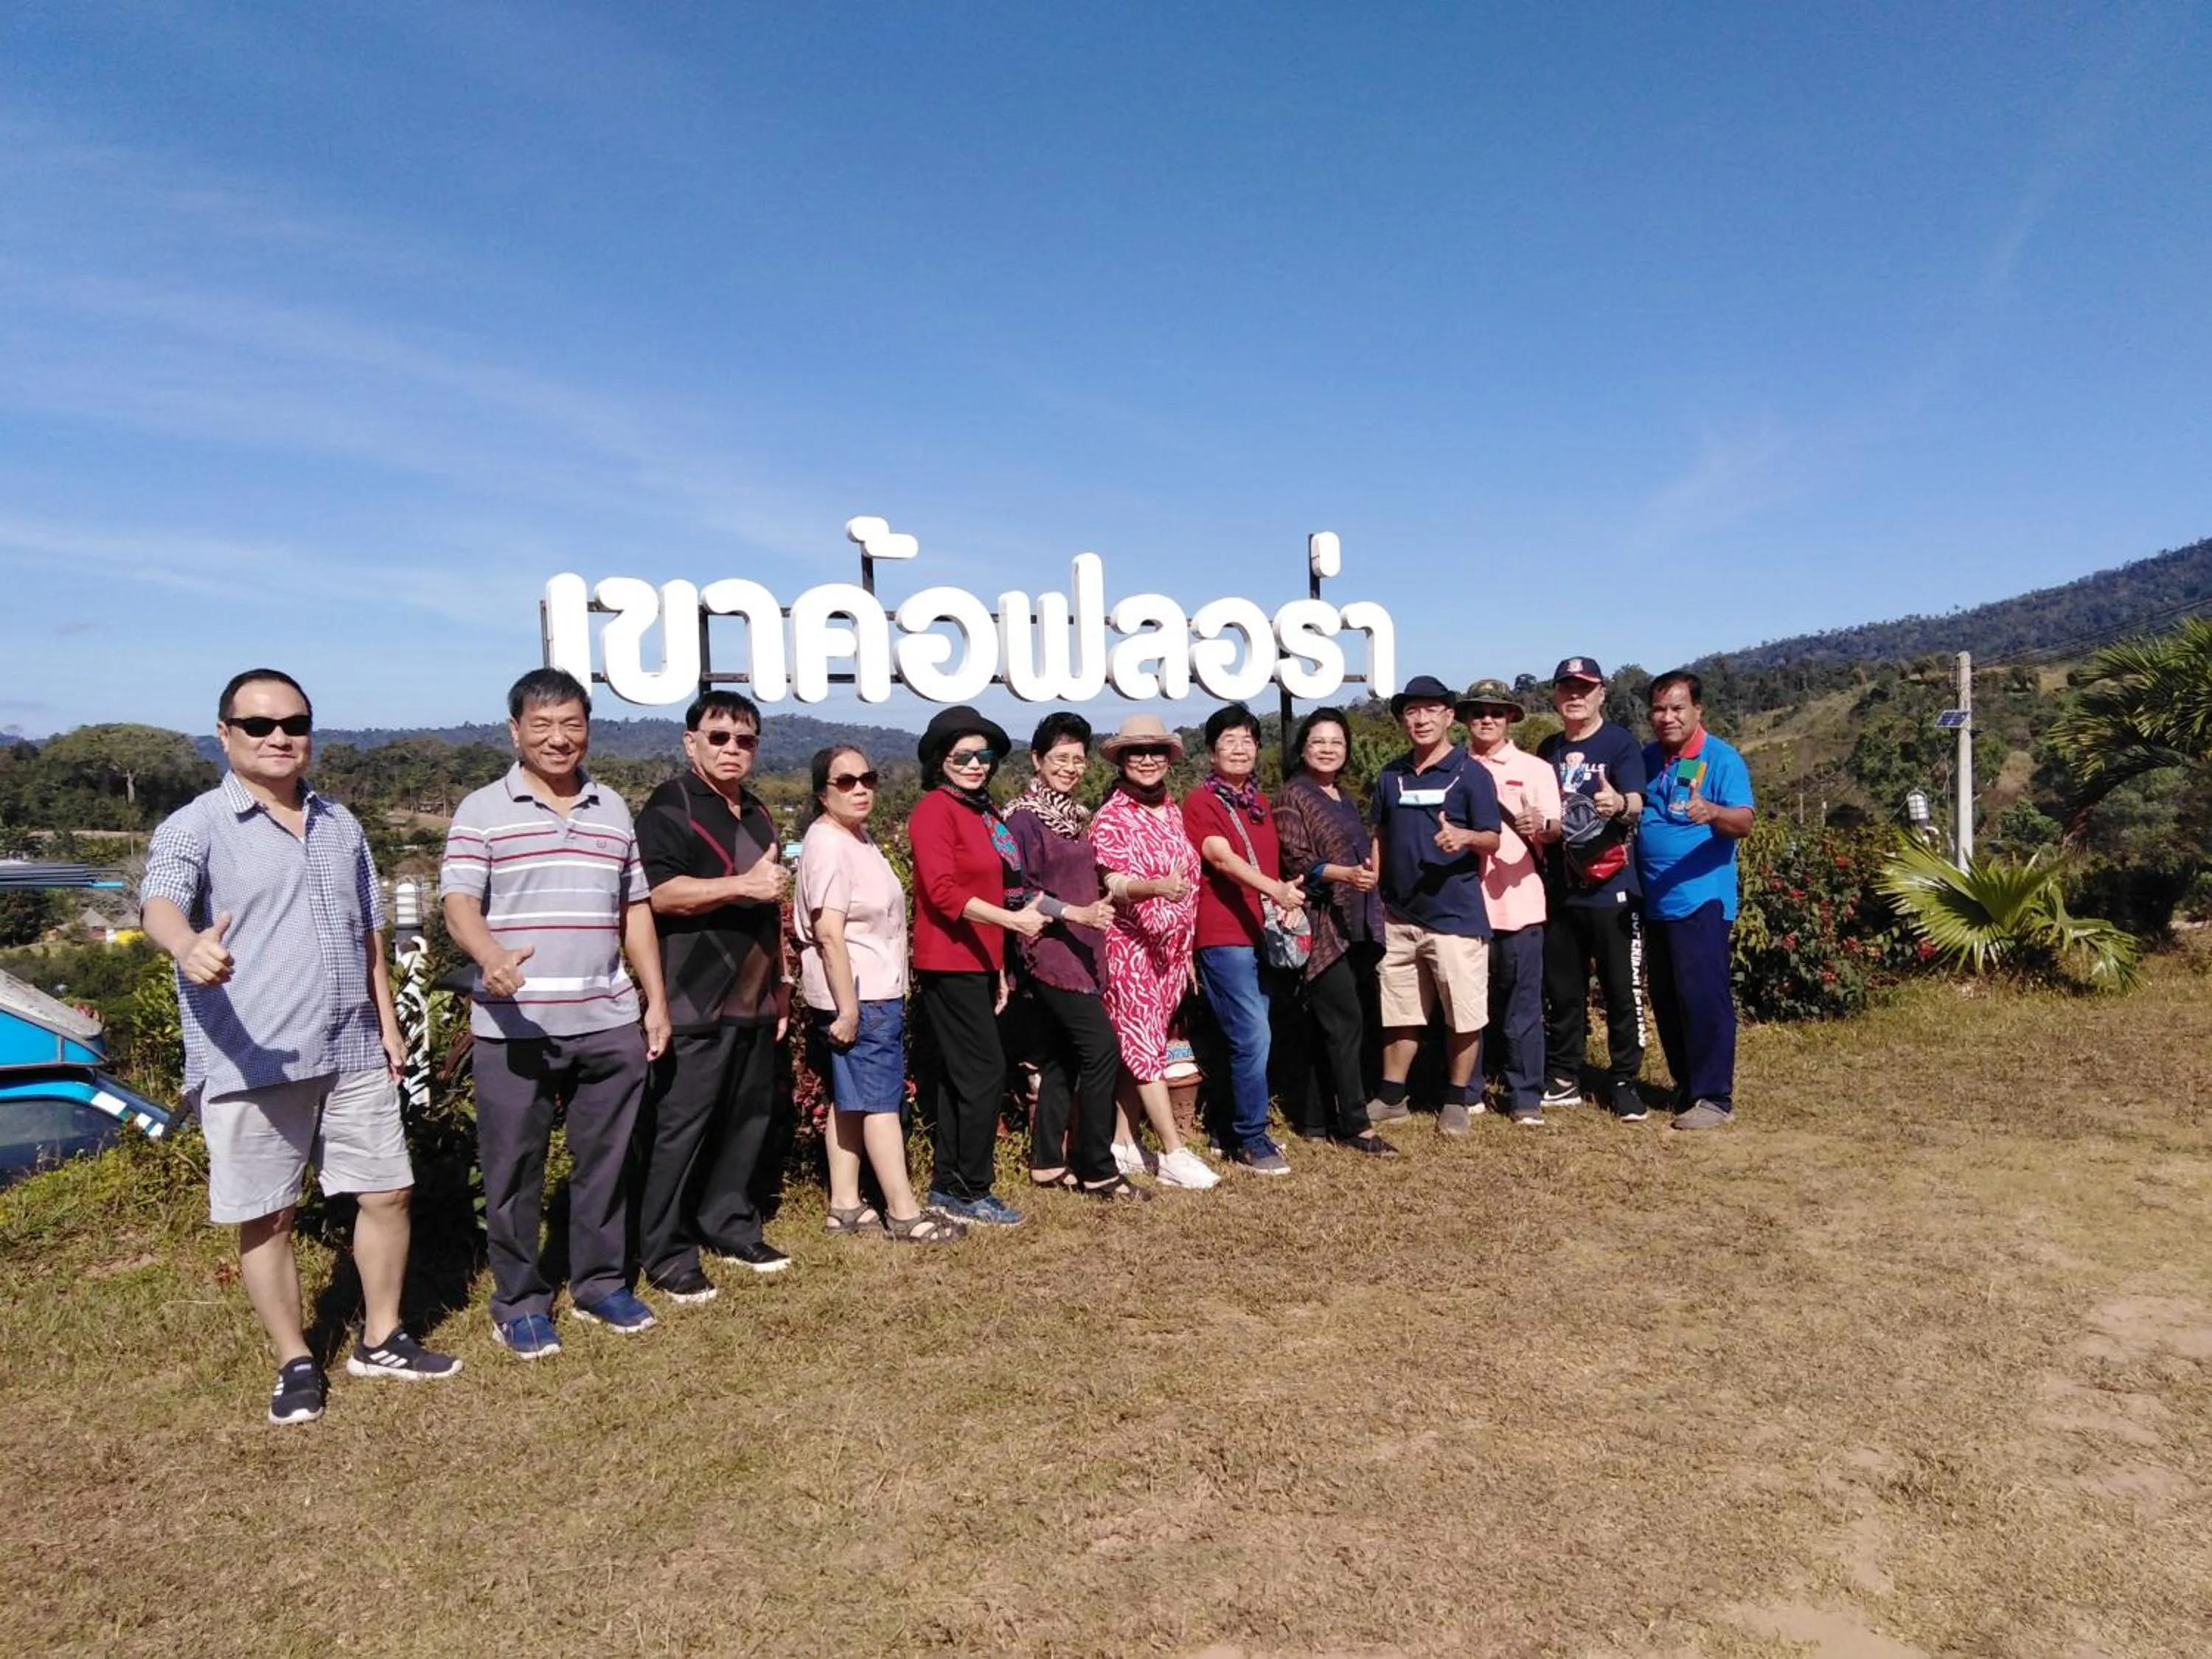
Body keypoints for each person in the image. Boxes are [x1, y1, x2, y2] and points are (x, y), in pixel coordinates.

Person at [142, 668, 457, 1424]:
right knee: (269, 1213)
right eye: (258, 725)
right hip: (251, 1055)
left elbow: (369, 935)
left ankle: (381, 1337)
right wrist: (186, 945)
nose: (279, 737)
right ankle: (294, 1358)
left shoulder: (340, 825)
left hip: (351, 1043)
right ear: (225, 735)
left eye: (294, 723)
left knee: (387, 1191)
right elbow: (158, 901)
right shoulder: (195, 826)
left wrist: (388, 1021)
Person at [441, 668, 672, 1357]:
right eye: (541, 725)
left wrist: (654, 999)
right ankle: (518, 1300)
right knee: (514, 1169)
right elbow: (459, 904)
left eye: (570, 723)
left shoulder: (613, 809)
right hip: (514, 1026)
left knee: (605, 1163)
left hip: (607, 1018)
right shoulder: (481, 810)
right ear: (514, 731)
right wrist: (490, 957)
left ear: (588, 729)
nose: (557, 737)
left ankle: (600, 1284)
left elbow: (634, 910)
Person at [629, 690, 793, 1307]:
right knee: (681, 1126)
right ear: (690, 741)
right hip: (690, 994)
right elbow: (657, 893)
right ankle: (665, 1250)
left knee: (745, 1119)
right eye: (718, 736)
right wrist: (741, 886)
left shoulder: (757, 812)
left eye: (745, 739)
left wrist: (780, 982)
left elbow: (770, 899)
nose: (732, 749)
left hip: (753, 993)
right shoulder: (671, 805)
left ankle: (729, 1225)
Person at [793, 746, 966, 1243]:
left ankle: (845, 1205)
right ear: (822, 794)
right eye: (845, 782)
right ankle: (904, 1211)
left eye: (867, 777)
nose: (860, 788)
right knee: (881, 1104)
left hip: (869, 989)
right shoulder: (829, 845)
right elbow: (829, 932)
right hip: (859, 994)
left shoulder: (856, 838)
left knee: (850, 1100)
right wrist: (848, 1008)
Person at [1003, 713, 1147, 1200]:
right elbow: (1017, 892)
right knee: (1101, 1050)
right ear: (1037, 759)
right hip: (1049, 953)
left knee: (1063, 1057)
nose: (1069, 768)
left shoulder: (1074, 815)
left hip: (1084, 951)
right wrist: (1076, 914)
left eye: (1077, 759)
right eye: (1059, 758)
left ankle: (1046, 1162)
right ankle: (1096, 1165)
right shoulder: (1021, 819)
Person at [908, 705, 1041, 1227]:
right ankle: (969, 1187)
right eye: (962, 755)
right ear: (940, 761)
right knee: (984, 1072)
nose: (975, 764)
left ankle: (950, 1184)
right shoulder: (935, 811)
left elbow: (1000, 891)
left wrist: (1001, 962)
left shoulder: (986, 813)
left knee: (962, 1074)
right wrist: (1013, 927)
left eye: (983, 755)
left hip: (980, 959)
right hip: (948, 958)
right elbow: (943, 893)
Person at [1086, 714, 1219, 1190]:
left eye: (1155, 751)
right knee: (1145, 1049)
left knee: (1140, 1049)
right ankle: (1174, 1151)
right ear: (1121, 761)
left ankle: (1123, 1142)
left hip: (1170, 955)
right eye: (1136, 752)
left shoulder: (1173, 810)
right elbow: (1112, 881)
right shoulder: (1111, 818)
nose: (1146, 760)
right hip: (1130, 949)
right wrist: (1154, 887)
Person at [1368, 674, 1502, 1135]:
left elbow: (1493, 839)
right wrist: (1375, 890)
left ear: (1449, 717)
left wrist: (1464, 836)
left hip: (1455, 917)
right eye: (1411, 711)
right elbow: (1380, 837)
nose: (1420, 719)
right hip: (1399, 916)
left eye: (1430, 710)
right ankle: (1391, 1097)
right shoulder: (1392, 774)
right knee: (1400, 1009)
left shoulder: (1472, 774)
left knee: (1461, 1011)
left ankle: (1459, 1099)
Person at [1183, 703, 1307, 1175]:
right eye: (1228, 741)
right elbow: (1221, 857)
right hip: (1221, 935)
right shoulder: (1203, 802)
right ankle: (1252, 1138)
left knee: (1241, 1035)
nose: (1239, 748)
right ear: (1211, 751)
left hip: (1258, 933)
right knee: (1254, 1035)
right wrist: (1274, 888)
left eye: (1247, 740)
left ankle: (1226, 1129)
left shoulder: (1255, 802)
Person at [1272, 707, 1396, 1156]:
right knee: (1345, 1023)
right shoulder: (1293, 796)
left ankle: (1315, 1119)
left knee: (1329, 1025)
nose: (1328, 749)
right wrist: (1343, 874)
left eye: (1337, 742)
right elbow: (1296, 861)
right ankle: (1356, 1125)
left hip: (1355, 921)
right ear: (1302, 747)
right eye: (1318, 741)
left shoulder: (1343, 796)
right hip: (1322, 927)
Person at [1636, 670, 1756, 1130]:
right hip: (1656, 901)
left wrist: (1713, 813)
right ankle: (1687, 1086)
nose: (1667, 718)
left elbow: (1744, 821)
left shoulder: (1720, 758)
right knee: (1667, 998)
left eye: (1677, 708)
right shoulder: (1648, 759)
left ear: (1697, 711)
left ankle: (1713, 1097)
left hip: (1701, 899)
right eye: (1659, 709)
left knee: (1703, 997)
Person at [1536, 656, 1651, 1118]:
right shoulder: (1548, 749)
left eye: (1584, 687)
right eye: (1567, 688)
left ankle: (1624, 1080)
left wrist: (1618, 802)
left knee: (1622, 990)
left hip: (1613, 888)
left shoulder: (1621, 743)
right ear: (1556, 695)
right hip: (1561, 889)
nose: (1575, 696)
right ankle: (1566, 1074)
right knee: (1564, 990)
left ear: (1602, 692)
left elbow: (1638, 803)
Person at [1460, 678, 1564, 1127]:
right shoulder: (1452, 768)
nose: (1487, 719)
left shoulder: (1535, 769)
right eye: (1479, 711)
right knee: (1467, 1005)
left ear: (1509, 719)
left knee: (1522, 1006)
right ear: (1464, 719)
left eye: (1496, 712)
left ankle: (1525, 1095)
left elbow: (1555, 831)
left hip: (1520, 904)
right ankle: (1467, 1089)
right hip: (1463, 904)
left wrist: (1539, 825)